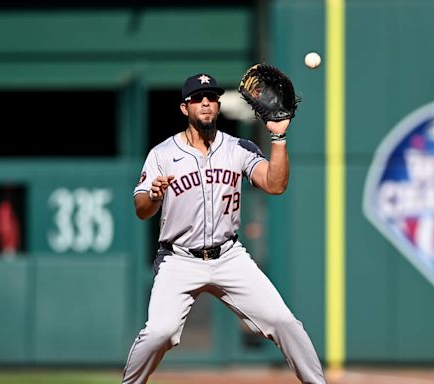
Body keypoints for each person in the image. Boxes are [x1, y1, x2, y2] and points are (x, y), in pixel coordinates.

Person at [121, 73, 326, 384]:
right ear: (184, 108)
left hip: (229, 256)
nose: (206, 102)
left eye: (212, 97)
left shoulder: (238, 148)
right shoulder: (162, 154)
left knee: (283, 322)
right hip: (179, 259)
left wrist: (278, 138)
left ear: (218, 105)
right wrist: (153, 196)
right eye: (197, 98)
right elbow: (141, 210)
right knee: (158, 333)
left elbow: (274, 184)